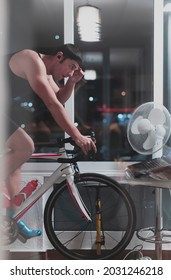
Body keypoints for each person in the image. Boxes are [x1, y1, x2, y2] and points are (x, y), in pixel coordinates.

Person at [4, 44, 97, 238]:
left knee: (15, 164)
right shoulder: (31, 59)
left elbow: (58, 98)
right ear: (59, 56)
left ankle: (10, 221)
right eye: (70, 67)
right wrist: (77, 136)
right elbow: (52, 104)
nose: (70, 72)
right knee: (25, 147)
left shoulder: (47, 74)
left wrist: (72, 82)